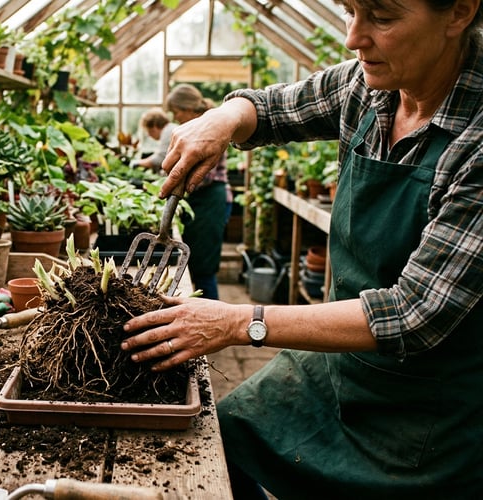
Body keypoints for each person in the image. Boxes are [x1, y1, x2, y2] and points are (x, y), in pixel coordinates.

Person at [120, 0, 483, 498]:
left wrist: (237, 323)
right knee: (225, 437)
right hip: (338, 368)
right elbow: (271, 110)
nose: (353, 38)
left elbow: (413, 313)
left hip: (427, 414)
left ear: (459, 12)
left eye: (382, 17)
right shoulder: (367, 87)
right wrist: (222, 118)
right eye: (348, 10)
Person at [165, 84, 231, 300]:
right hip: (201, 199)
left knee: (204, 267)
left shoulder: (210, 127)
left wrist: (176, 178)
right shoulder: (196, 126)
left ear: (187, 107)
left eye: (176, 112)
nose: (175, 117)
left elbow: (205, 175)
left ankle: (213, 313)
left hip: (211, 199)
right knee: (196, 263)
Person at [135, 108, 176, 173]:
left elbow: (160, 159)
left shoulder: (168, 132)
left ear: (154, 126)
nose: (149, 135)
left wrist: (137, 163)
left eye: (149, 131)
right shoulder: (170, 129)